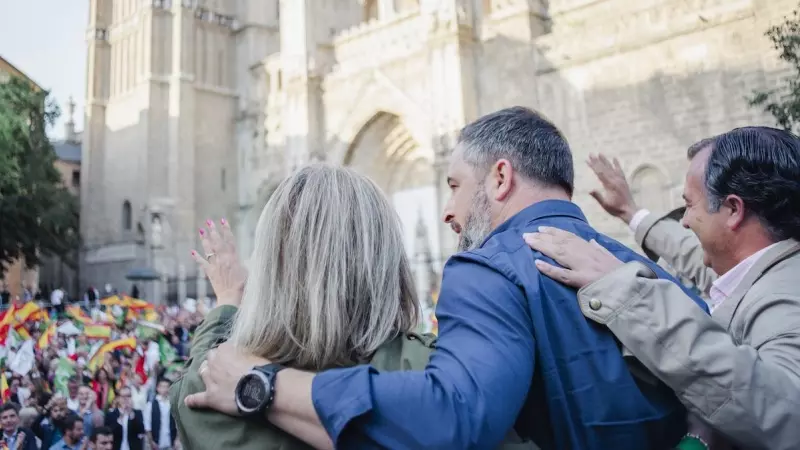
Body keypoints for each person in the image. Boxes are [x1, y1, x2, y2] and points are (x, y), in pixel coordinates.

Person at [182, 107, 708, 449]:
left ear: (500, 177)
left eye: (454, 184)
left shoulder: (488, 270)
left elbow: (454, 418)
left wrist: (263, 380)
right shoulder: (641, 272)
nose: (447, 211)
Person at [171, 165, 538, 449]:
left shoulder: (212, 387)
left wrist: (228, 302)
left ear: (270, 266)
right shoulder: (434, 377)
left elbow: (196, 374)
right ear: (385, 264)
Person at [525, 127, 800, 449]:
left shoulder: (784, 298)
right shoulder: (766, 267)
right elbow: (690, 252)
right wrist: (631, 212)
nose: (684, 221)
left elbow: (786, 415)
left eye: (690, 205)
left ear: (733, 210)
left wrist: (628, 294)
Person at [144, 379, 176, 450]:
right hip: (157, 441)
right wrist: (151, 441)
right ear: (157, 388)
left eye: (167, 387)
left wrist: (176, 440)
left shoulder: (172, 403)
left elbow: (176, 422)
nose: (165, 389)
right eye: (162, 387)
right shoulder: (151, 405)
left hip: (170, 440)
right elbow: (147, 426)